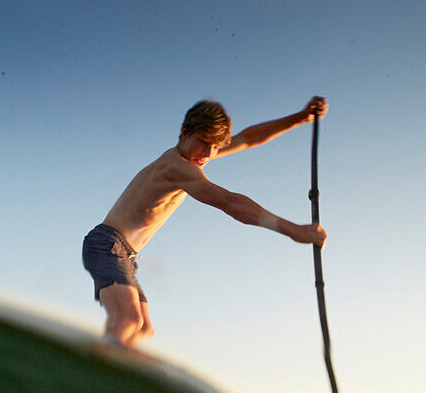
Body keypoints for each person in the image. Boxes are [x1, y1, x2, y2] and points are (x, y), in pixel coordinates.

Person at [82, 96, 329, 348]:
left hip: (125, 255)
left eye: (215, 146)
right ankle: (85, 371)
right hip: (108, 246)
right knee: (128, 321)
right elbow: (229, 203)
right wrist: (294, 230)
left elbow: (247, 139)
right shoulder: (176, 167)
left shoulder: (195, 154)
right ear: (184, 132)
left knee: (143, 328)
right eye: (204, 143)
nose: (209, 153)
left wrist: (300, 117)